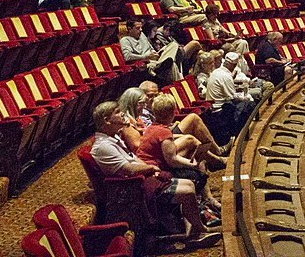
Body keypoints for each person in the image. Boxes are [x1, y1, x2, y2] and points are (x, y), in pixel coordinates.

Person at [89, 102, 219, 246]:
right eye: (118, 112)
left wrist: (150, 168)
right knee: (187, 191)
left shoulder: (113, 138)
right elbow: (128, 169)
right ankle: (198, 233)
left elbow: (133, 158)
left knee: (189, 183)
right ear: (107, 120)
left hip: (140, 178)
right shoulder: (103, 146)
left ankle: (193, 229)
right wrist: (151, 169)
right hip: (132, 188)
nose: (122, 114)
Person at [137, 95, 222, 222]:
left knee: (193, 149)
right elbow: (172, 160)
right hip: (155, 172)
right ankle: (200, 207)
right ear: (172, 113)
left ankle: (204, 203)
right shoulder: (163, 132)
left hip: (152, 168)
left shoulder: (154, 127)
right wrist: (191, 164)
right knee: (198, 175)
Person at [137, 81, 226, 167]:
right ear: (142, 96)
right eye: (150, 96)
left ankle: (217, 152)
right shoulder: (143, 111)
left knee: (193, 118)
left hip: (165, 131)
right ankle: (217, 157)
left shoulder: (155, 105)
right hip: (160, 141)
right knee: (192, 124)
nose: (154, 98)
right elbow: (154, 135)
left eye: (156, 95)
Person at [203, 51, 256, 141]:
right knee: (249, 104)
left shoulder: (216, 71)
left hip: (213, 108)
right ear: (234, 65)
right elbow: (232, 98)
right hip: (220, 111)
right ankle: (239, 134)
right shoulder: (226, 76)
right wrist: (246, 97)